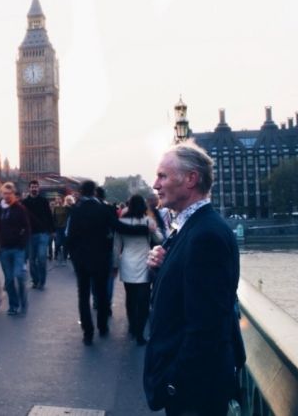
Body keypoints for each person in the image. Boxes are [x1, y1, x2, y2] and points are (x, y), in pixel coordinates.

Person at [144, 143, 245, 415]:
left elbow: (206, 328)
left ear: (191, 179)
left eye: (163, 176)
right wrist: (161, 267)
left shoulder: (206, 236)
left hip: (194, 392)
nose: (155, 184)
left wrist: (173, 383)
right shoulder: (191, 227)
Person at [66, 180, 151, 345]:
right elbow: (119, 227)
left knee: (83, 295)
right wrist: (144, 229)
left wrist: (75, 257)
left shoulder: (75, 211)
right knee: (101, 293)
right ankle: (102, 326)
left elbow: (69, 237)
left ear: (83, 192)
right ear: (95, 192)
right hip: (100, 258)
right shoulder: (103, 209)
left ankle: (88, 333)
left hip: (82, 260)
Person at [115, 194, 162, 345]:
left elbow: (116, 247)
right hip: (143, 261)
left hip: (127, 261)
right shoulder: (148, 221)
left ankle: (132, 325)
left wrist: (115, 265)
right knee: (143, 299)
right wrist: (154, 230)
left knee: (130, 297)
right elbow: (160, 239)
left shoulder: (121, 222)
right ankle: (140, 333)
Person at [0, 182, 30, 316]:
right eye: (4, 193)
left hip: (18, 248)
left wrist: (22, 243)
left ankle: (23, 300)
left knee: (18, 275)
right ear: (1, 194)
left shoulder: (20, 209)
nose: (7, 196)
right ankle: (13, 305)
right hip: (4, 249)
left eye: (9, 193)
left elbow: (26, 228)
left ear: (13, 194)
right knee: (8, 279)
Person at [22, 180, 55, 290]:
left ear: (38, 188)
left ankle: (42, 280)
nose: (34, 189)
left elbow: (49, 216)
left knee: (41, 257)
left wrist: (52, 231)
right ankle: (35, 280)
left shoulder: (44, 201)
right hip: (30, 234)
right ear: (29, 188)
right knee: (32, 260)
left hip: (43, 233)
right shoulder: (25, 202)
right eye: (32, 187)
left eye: (36, 187)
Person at [52, 196, 70, 265]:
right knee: (58, 243)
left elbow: (70, 215)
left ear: (62, 200)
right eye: (56, 199)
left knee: (65, 244)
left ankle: (64, 259)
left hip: (65, 228)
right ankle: (59, 256)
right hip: (58, 228)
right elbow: (53, 219)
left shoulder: (65, 207)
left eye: (59, 199)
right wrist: (53, 230)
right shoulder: (55, 208)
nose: (58, 200)